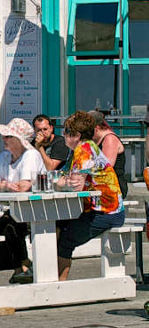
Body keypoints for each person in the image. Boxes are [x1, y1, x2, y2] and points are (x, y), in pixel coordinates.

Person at [53, 110, 124, 281]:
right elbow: (67, 177)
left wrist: (59, 182)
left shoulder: (83, 150)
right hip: (99, 208)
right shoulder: (86, 147)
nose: (63, 136)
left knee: (66, 239)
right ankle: (50, 276)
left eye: (66, 132)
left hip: (107, 212)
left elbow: (74, 184)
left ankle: (58, 285)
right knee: (56, 225)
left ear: (76, 135)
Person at [0, 117, 45, 280]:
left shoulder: (31, 156)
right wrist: (5, 186)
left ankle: (23, 267)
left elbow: (24, 186)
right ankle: (22, 266)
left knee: (10, 229)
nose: (4, 139)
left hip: (36, 208)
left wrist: (2, 184)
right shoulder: (4, 156)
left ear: (20, 140)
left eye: (8, 136)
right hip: (13, 208)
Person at [90, 110, 128, 199]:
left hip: (114, 187)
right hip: (100, 186)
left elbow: (106, 167)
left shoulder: (109, 139)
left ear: (96, 128)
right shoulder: (95, 140)